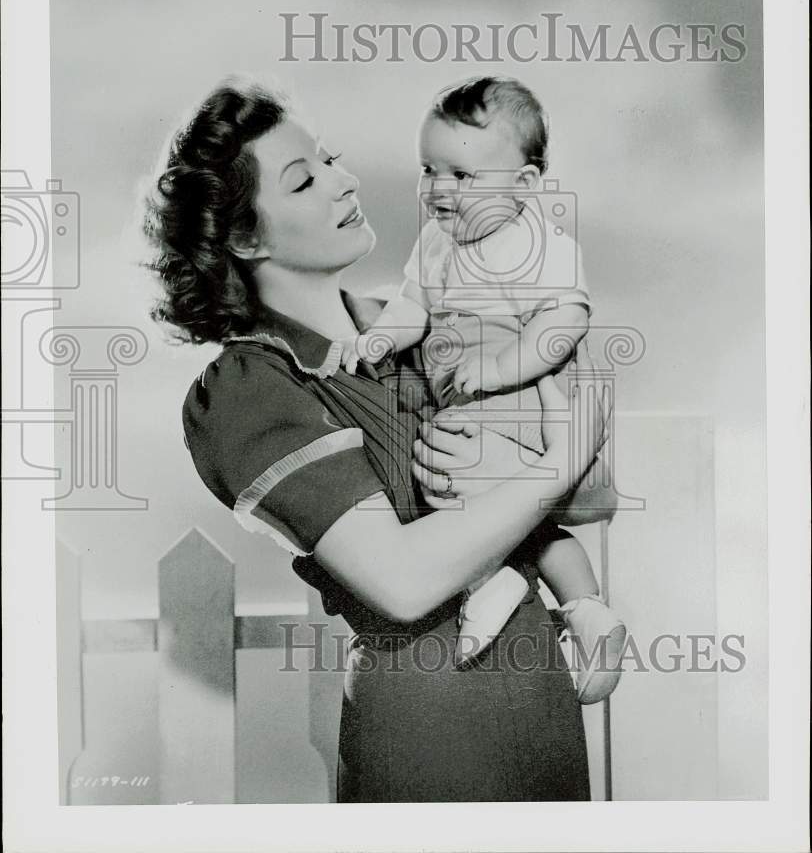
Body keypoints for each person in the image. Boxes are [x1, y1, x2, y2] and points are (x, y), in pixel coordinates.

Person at [143, 76, 615, 803]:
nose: (343, 182)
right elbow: (403, 583)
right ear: (245, 236)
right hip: (432, 724)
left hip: (547, 703)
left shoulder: (415, 319)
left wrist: (536, 466)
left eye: (332, 159)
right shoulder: (246, 391)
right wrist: (546, 472)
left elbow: (594, 486)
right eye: (305, 181)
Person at [340, 76, 626, 690]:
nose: (439, 190)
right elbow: (413, 303)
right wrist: (383, 336)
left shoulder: (540, 245)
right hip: (468, 397)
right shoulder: (436, 242)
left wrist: (502, 366)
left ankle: (497, 581)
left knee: (471, 497)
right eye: (428, 170)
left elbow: (566, 320)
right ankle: (588, 610)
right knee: (523, 519)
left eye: (463, 177)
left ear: (523, 184)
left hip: (521, 396)